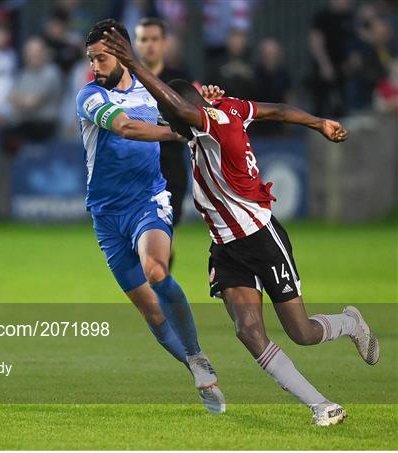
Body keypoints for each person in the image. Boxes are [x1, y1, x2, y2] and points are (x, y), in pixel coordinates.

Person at [101, 26, 380, 427]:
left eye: (173, 118)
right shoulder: (227, 108)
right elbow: (278, 110)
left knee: (300, 331)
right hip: (226, 246)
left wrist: (131, 62)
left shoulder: (209, 123)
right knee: (248, 331)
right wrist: (318, 122)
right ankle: (322, 405)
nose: (171, 127)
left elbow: (181, 112)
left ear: (190, 111)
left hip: (260, 236)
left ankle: (350, 323)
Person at [76, 19, 225, 414]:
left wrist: (203, 104)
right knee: (151, 310)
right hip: (107, 216)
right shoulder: (88, 96)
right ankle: (196, 365)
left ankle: (195, 355)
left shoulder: (151, 91)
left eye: (102, 58)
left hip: (149, 199)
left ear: (122, 53)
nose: (95, 66)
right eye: (91, 59)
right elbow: (126, 128)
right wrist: (180, 132)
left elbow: (194, 111)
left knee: (157, 271)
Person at [134, 18, 191, 232]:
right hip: (134, 167)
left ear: (165, 43)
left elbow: (197, 116)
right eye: (144, 39)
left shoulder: (180, 81)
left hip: (171, 168)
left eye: (155, 39)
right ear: (136, 44)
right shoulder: (124, 81)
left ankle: (161, 266)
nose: (150, 44)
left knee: (165, 233)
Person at [8, 37, 63, 141]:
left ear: (44, 53)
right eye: (30, 51)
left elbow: (33, 102)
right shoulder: (24, 73)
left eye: (37, 51)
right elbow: (10, 97)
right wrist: (23, 99)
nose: (34, 55)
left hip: (44, 126)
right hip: (26, 124)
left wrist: (20, 99)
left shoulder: (51, 73)